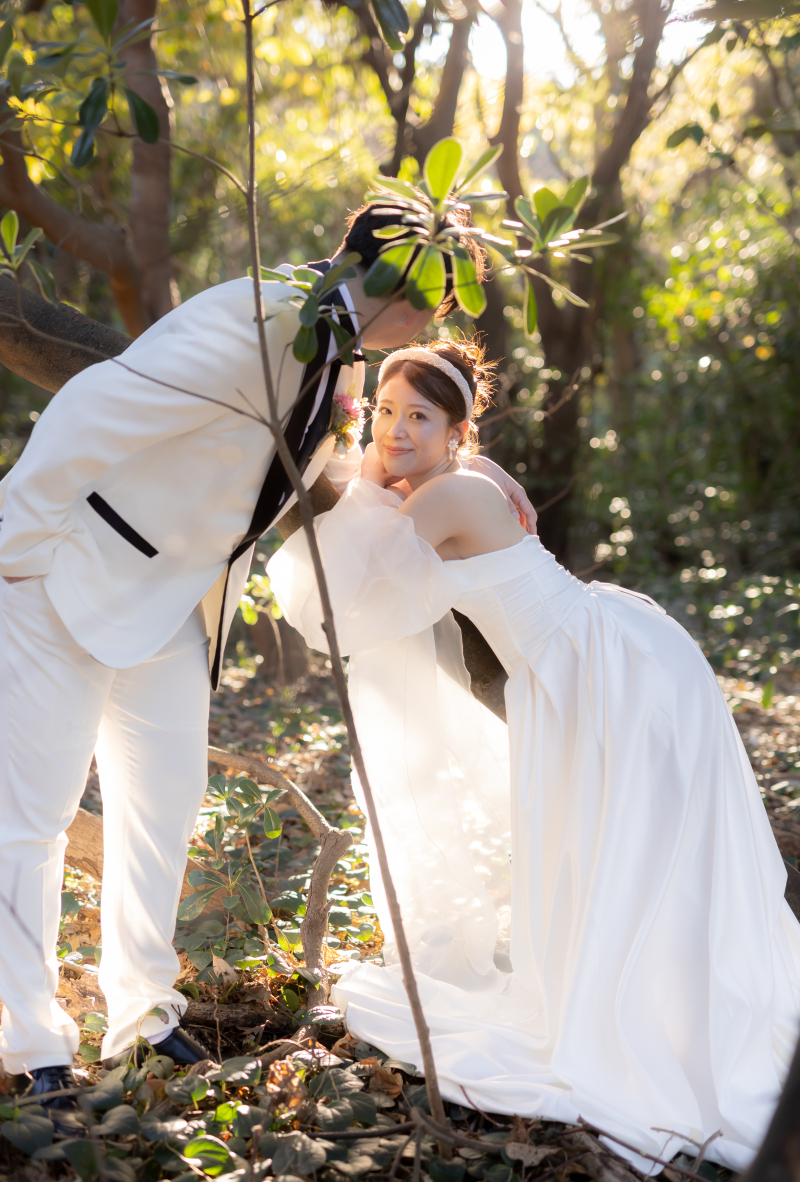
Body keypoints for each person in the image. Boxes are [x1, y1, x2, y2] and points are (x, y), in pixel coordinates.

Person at [0, 202, 535, 1126]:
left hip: (174, 606)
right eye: (423, 301)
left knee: (163, 805)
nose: (425, 323)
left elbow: (303, 471)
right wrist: (17, 549)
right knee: (32, 819)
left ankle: (140, 1012)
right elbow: (92, 405)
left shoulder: (339, 348)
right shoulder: (261, 322)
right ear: (384, 284)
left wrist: (476, 476)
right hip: (65, 578)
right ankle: (32, 1043)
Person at [268, 335, 800, 1175]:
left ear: (456, 433)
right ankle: (668, 1006)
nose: (396, 429)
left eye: (419, 417)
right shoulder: (457, 482)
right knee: (618, 850)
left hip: (604, 679)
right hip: (598, 660)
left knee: (629, 850)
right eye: (384, 413)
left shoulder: (443, 498)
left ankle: (666, 1025)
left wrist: (366, 472)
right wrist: (394, 463)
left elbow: (346, 602)